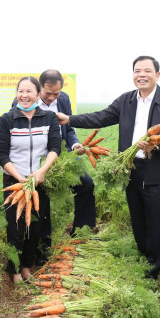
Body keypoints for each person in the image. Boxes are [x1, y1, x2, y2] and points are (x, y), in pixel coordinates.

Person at [57, 56, 160, 279]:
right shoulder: (126, 100)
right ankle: (143, 254)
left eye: (147, 70)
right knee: (137, 216)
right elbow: (101, 117)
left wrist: (155, 145)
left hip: (157, 170)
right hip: (131, 168)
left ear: (157, 75)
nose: (141, 75)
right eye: (137, 71)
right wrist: (69, 119)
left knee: (155, 219)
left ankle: (153, 269)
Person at [12, 70, 97, 264]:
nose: (52, 98)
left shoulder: (64, 99)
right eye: (48, 93)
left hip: (62, 155)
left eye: (56, 94)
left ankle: (81, 232)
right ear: (40, 87)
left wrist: (75, 144)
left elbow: (68, 128)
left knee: (86, 184)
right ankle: (42, 249)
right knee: (43, 200)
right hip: (39, 158)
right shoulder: (24, 101)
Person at [0, 76, 61, 283]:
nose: (24, 95)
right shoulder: (7, 120)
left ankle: (26, 267)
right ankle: (14, 271)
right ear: (17, 93)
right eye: (21, 91)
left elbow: (55, 147)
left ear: (38, 93)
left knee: (36, 227)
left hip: (40, 181)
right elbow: (1, 155)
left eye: (29, 91)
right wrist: (20, 178)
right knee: (15, 227)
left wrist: (42, 171)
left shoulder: (49, 118)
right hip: (15, 182)